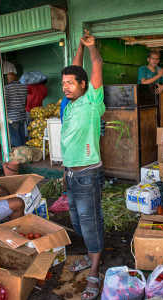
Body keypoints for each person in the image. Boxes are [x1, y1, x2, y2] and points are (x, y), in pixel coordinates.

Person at [60, 30, 104, 300]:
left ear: (84, 86)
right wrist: (76, 46)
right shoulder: (68, 104)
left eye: (71, 83)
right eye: (63, 83)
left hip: (87, 174)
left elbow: (95, 66)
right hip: (70, 174)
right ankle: (90, 257)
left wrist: (91, 49)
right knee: (76, 219)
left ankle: (95, 270)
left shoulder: (91, 102)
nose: (65, 86)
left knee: (90, 223)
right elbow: (76, 70)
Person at [5, 72, 28, 147]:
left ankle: (19, 155)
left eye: (8, 77)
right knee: (22, 136)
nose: (7, 79)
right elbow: (25, 101)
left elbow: (5, 103)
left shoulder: (7, 88)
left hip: (12, 117)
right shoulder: (24, 87)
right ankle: (25, 153)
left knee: (15, 137)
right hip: (22, 116)